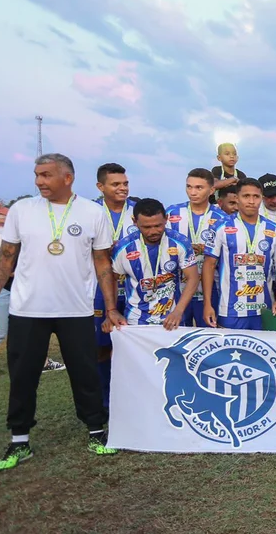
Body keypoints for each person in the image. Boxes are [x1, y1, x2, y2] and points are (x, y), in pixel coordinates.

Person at [0, 154, 121, 471]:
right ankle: (19, 441)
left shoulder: (92, 213)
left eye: (46, 175)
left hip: (75, 309)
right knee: (22, 376)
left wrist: (111, 307)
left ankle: (96, 433)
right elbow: (5, 259)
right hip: (27, 309)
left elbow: (103, 263)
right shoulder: (22, 210)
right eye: (37, 175)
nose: (39, 181)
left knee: (85, 373)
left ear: (67, 178)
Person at [202, 178, 276, 331]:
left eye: (256, 196)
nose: (251, 201)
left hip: (265, 308)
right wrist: (207, 304)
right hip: (230, 309)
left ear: (261, 198)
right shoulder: (220, 226)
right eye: (246, 196)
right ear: (237, 198)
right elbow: (209, 265)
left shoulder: (275, 230)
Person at [109, 198, 199, 329]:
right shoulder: (123, 247)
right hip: (136, 321)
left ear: (166, 219)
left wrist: (178, 311)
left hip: (172, 319)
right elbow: (111, 280)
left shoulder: (180, 242)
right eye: (146, 227)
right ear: (134, 222)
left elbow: (193, 278)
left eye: (158, 226)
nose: (153, 232)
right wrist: (111, 311)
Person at [92, 163, 137, 407]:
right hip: (98, 291)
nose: (122, 188)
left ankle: (128, 399)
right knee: (101, 347)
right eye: (116, 184)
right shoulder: (91, 211)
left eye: (125, 183)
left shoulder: (137, 211)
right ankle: (104, 400)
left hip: (132, 292)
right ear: (101, 187)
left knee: (130, 347)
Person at [165, 168, 228, 327]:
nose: (192, 192)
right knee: (176, 340)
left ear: (212, 190)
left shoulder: (222, 219)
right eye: (189, 187)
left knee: (208, 338)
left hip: (210, 290)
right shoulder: (172, 213)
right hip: (175, 290)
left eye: (199, 188)